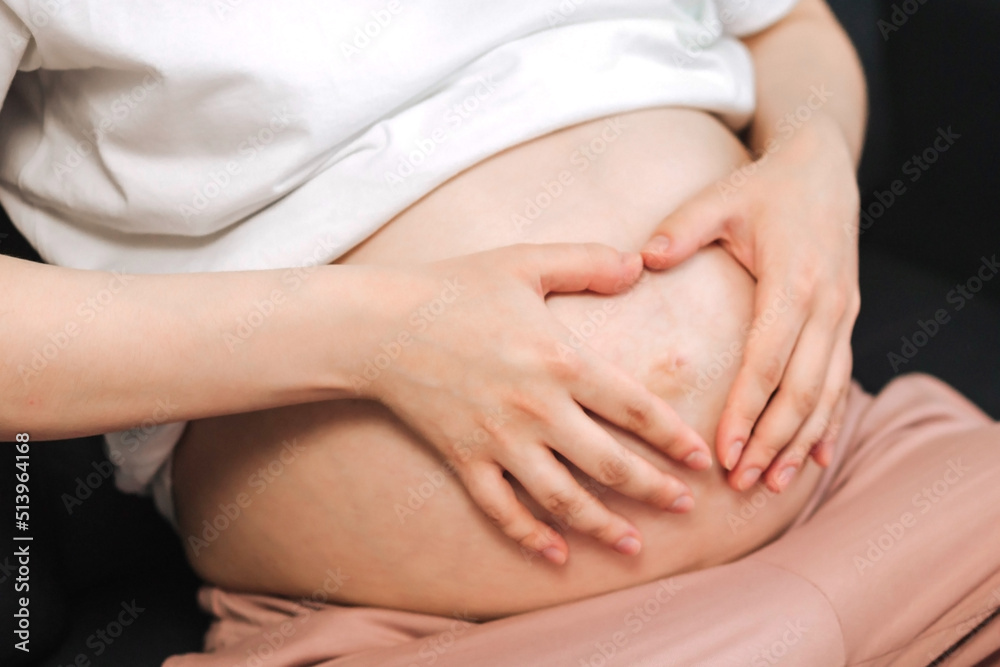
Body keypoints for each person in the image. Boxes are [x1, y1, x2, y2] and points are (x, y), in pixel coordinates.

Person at [0, 0, 997, 665]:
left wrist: (813, 159)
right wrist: (384, 336)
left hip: (883, 486)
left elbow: (788, 27)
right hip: (447, 635)